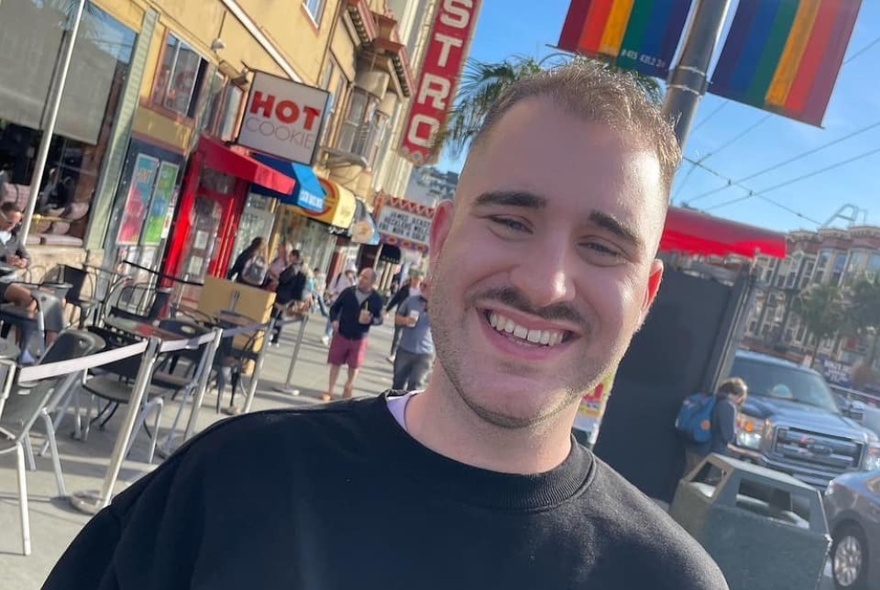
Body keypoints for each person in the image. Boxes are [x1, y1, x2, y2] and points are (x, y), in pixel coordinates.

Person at [42, 62, 728, 589]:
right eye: (511, 220)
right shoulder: (231, 481)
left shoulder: (668, 580)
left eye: (604, 247)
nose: (544, 284)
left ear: (646, 295)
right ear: (441, 238)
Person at [0, 202, 65, 355]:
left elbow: (28, 257)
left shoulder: (13, 237)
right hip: (2, 281)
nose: (13, 226)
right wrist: (4, 260)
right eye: (10, 222)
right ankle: (22, 349)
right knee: (29, 300)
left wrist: (23, 262)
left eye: (17, 223)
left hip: (13, 279)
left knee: (56, 299)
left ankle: (50, 349)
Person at [324, 267, 383, 401]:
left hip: (359, 336)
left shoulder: (376, 299)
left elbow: (380, 319)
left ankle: (348, 386)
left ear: (372, 282)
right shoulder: (349, 292)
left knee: (354, 365)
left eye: (365, 278)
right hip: (342, 332)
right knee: (335, 362)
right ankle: (330, 390)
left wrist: (371, 319)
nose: (361, 279)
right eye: (361, 276)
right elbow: (335, 308)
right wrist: (334, 320)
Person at [683, 378, 748, 475]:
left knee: (687, 475)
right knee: (699, 481)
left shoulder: (709, 400)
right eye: (740, 398)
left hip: (694, 444)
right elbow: (728, 436)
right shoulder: (727, 406)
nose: (739, 402)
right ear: (737, 395)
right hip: (710, 452)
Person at [392, 280, 433, 391]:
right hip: (405, 349)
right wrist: (405, 320)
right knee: (398, 384)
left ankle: (410, 408)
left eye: (426, 286)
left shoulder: (438, 307)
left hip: (425, 353)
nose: (423, 288)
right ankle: (393, 407)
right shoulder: (411, 300)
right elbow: (396, 318)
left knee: (415, 386)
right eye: (422, 285)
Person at [383, 269, 423, 363]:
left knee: (409, 336)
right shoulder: (405, 289)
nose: (415, 281)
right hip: (401, 314)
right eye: (414, 279)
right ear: (412, 279)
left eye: (418, 280)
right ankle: (393, 354)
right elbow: (396, 299)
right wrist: (387, 310)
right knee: (397, 335)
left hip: (414, 317)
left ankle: (405, 356)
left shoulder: (421, 292)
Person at [270, 249, 308, 346]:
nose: (289, 257)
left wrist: (275, 275)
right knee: (280, 315)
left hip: (283, 293)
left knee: (275, 314)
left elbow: (283, 279)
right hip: (289, 295)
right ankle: (275, 338)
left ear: (295, 257)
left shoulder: (293, 268)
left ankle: (272, 334)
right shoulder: (300, 268)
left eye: (290, 255)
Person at [320, 263, 357, 345]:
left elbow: (355, 291)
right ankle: (327, 334)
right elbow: (331, 287)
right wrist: (333, 292)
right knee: (332, 318)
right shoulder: (339, 276)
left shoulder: (354, 280)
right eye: (349, 271)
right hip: (336, 300)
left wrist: (352, 282)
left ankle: (335, 336)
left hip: (346, 303)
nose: (350, 273)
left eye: (352, 272)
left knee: (341, 320)